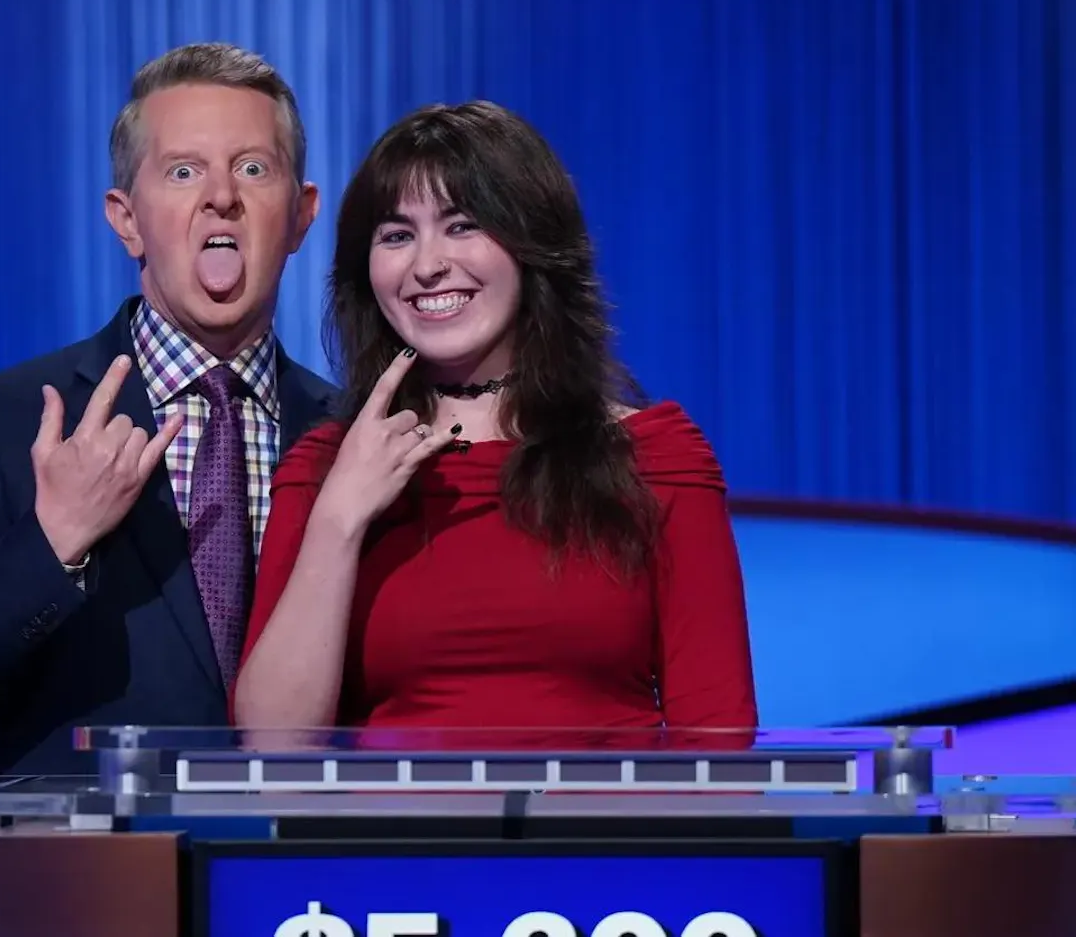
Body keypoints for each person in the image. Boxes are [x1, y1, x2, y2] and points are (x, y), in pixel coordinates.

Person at [0, 43, 336, 776]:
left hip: (293, 852)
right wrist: (52, 541)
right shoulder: (2, 420)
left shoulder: (351, 439)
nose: (222, 196)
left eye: (252, 168)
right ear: (127, 219)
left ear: (301, 215)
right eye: (183, 172)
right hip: (86, 851)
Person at [231, 100, 757, 742]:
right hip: (392, 812)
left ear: (534, 244)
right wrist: (338, 521)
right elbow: (272, 745)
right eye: (397, 236)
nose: (427, 265)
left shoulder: (655, 457)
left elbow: (719, 744)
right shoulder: (324, 469)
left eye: (462, 226)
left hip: (603, 812)